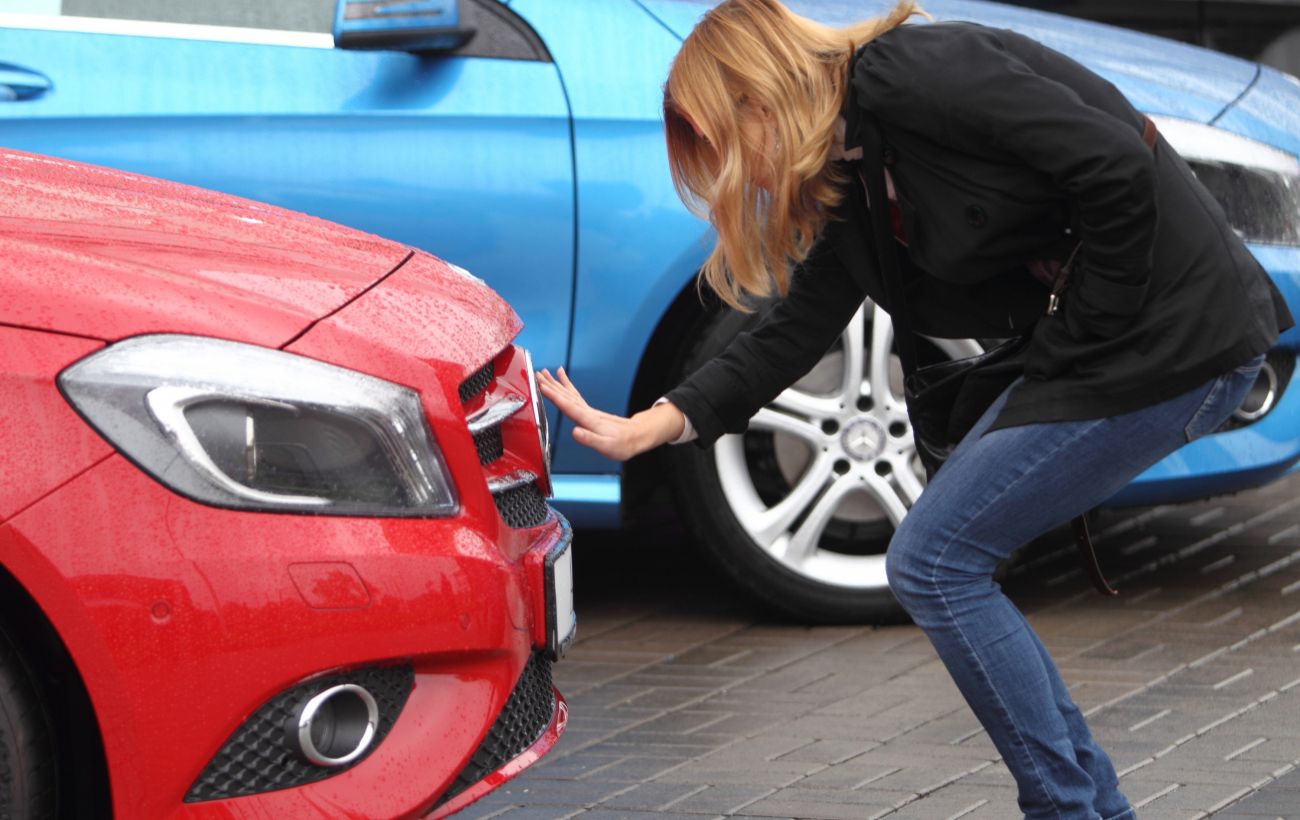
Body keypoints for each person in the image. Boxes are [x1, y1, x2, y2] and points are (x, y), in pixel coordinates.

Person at [537, 1, 1294, 817]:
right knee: (943, 561)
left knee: (934, 561)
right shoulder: (856, 177)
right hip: (1113, 348)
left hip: (1182, 341)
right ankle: (1087, 806)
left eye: (725, 145)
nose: (738, 176)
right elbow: (791, 330)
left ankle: (1070, 807)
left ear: (759, 97)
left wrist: (1082, 334)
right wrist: (659, 420)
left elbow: (1113, 161)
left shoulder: (911, 72)